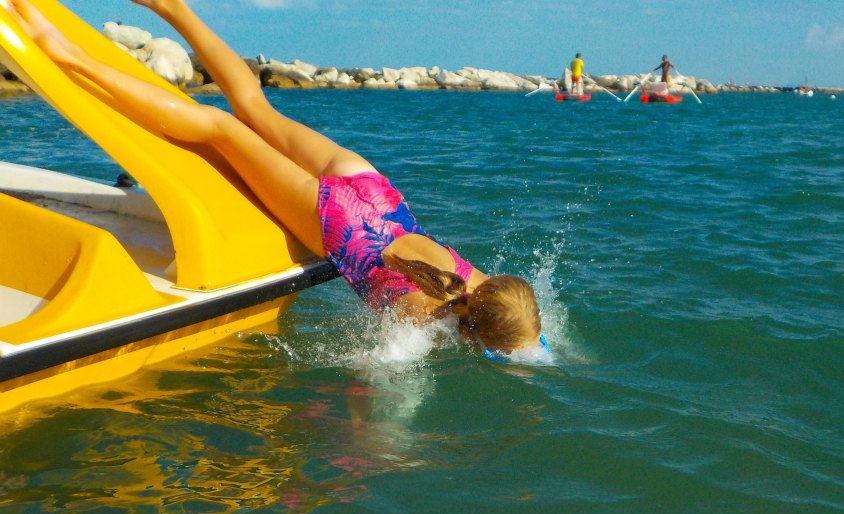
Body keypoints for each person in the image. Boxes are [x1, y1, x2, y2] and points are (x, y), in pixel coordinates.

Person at [5, 0, 548, 360]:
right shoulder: (425, 322)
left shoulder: (482, 284)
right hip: (340, 223)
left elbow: (519, 325)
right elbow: (384, 369)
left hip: (372, 189)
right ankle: (71, 57)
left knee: (252, 108)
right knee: (220, 129)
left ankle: (173, 8)